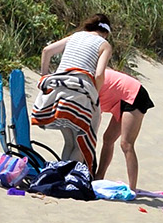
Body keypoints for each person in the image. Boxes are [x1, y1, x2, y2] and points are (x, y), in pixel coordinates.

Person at [32, 15, 116, 170]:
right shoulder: (104, 45)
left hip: (57, 91)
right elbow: (99, 75)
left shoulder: (75, 36)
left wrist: (44, 76)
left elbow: (47, 51)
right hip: (78, 93)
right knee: (82, 141)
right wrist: (94, 96)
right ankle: (68, 178)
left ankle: (61, 175)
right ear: (105, 32)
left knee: (70, 142)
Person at [95, 67, 154, 190]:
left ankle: (133, 189)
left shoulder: (92, 85)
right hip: (121, 99)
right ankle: (98, 177)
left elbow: (93, 121)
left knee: (126, 144)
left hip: (134, 94)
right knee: (108, 139)